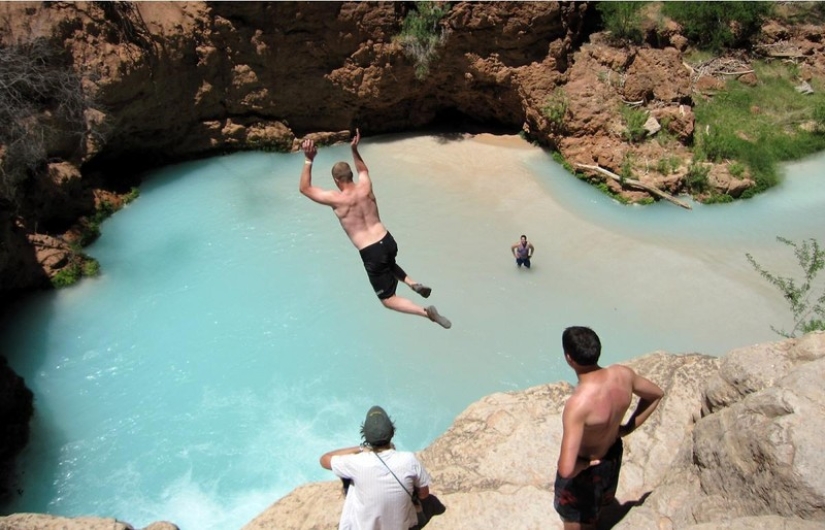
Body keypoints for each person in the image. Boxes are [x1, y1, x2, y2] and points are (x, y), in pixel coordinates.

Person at [299, 129, 451, 329]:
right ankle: (413, 283)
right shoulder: (365, 186)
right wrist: (354, 150)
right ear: (351, 175)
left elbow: (305, 188)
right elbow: (363, 170)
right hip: (387, 240)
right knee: (388, 262)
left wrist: (309, 160)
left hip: (371, 250)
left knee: (388, 299)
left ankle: (426, 313)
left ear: (336, 181)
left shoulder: (336, 199)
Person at [554, 326, 664, 530]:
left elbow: (566, 469)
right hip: (611, 458)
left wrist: (585, 464)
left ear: (569, 358)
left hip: (587, 470)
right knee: (597, 507)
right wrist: (628, 428)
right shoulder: (623, 375)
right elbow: (656, 395)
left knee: (575, 520)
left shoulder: (578, 404)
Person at [320, 405, 432, 530]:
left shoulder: (357, 462)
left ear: (366, 435)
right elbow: (424, 494)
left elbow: (325, 459)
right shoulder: (409, 460)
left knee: (350, 481)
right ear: (392, 432)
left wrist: (361, 448)